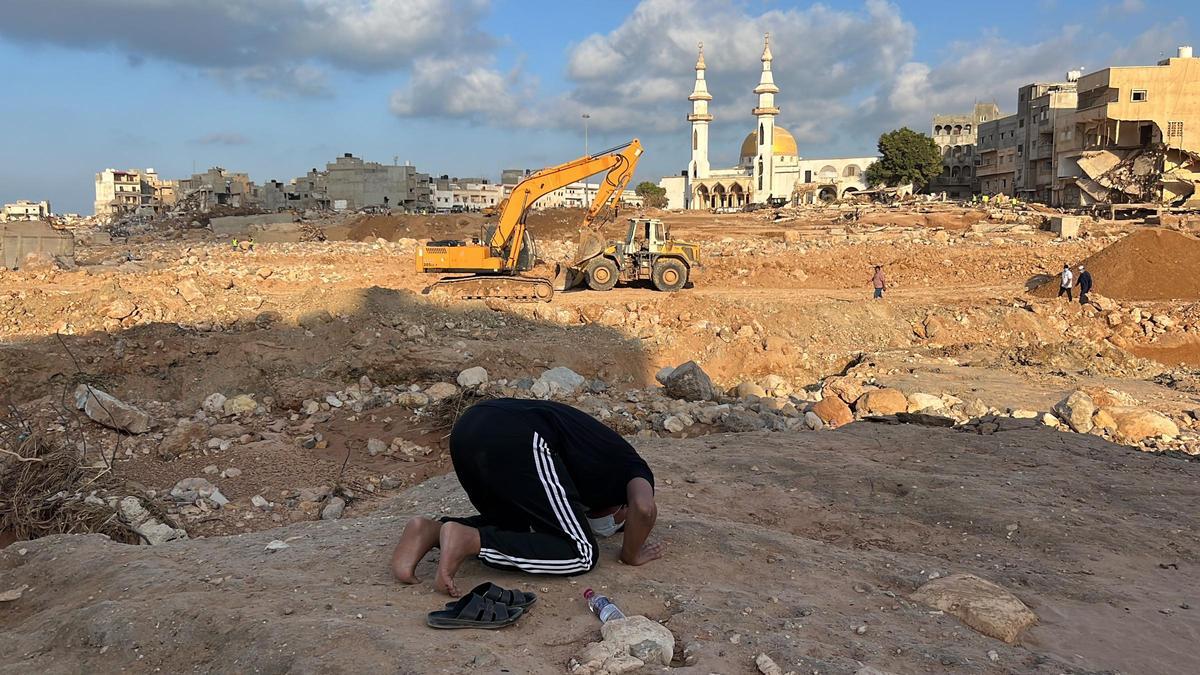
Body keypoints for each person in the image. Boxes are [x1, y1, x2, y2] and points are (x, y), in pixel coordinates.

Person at [391, 398, 662, 597]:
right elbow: (644, 507)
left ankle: (431, 531)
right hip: (519, 436)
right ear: (621, 507)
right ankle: (470, 540)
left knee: (516, 527)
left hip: (469, 427)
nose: (617, 524)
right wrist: (631, 554)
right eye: (622, 521)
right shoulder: (632, 467)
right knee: (582, 553)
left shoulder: (593, 468)